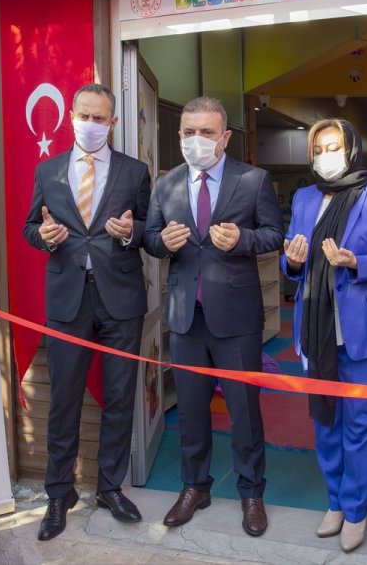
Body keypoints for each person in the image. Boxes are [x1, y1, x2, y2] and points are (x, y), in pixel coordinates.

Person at [143, 96, 283, 537]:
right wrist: (162, 241)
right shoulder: (166, 183)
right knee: (190, 411)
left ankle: (251, 492)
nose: (196, 139)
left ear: (225, 137)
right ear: (179, 134)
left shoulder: (253, 180)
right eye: (189, 132)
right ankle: (194, 487)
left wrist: (242, 239)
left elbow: (273, 234)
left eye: (206, 132)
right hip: (186, 316)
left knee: (244, 411)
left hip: (237, 318)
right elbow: (150, 237)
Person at [23, 83, 151, 541]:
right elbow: (30, 226)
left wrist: (129, 233)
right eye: (85, 116)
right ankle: (59, 494)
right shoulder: (48, 169)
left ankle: (109, 488)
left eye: (100, 118)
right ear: (71, 117)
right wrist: (45, 237)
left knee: (120, 397)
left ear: (112, 123)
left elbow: (149, 230)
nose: (91, 124)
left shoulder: (135, 171)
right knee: (63, 399)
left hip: (121, 300)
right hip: (67, 299)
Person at [282, 119, 367, 553]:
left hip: (363, 330)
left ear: (352, 149)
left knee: (360, 423)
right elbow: (291, 258)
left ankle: (356, 509)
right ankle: (335, 501)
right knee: (325, 421)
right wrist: (292, 262)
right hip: (314, 326)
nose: (326, 156)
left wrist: (357, 261)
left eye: (334, 146)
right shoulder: (304, 197)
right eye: (318, 149)